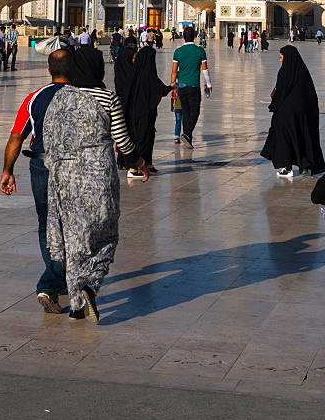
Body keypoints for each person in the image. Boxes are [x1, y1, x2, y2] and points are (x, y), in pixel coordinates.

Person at [43, 45, 149, 321]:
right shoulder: (107, 98)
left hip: (64, 176)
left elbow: (47, 138)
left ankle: (78, 306)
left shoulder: (60, 98)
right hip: (98, 175)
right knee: (106, 234)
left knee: (73, 240)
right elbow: (123, 142)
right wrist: (140, 164)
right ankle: (90, 284)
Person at [0, 44, 73, 313]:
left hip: (41, 166)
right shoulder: (82, 96)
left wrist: (7, 171)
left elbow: (17, 136)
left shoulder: (35, 97)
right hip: (72, 168)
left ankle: (54, 280)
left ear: (48, 69)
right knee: (72, 224)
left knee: (47, 224)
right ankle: (54, 281)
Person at [261, 46, 325, 178]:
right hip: (302, 113)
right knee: (301, 136)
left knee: (284, 137)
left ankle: (287, 167)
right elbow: (310, 95)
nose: (280, 61)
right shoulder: (303, 72)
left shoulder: (285, 72)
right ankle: (303, 166)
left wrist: (273, 104)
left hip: (286, 113)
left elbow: (280, 92)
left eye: (281, 58)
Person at [117, 45, 171, 176]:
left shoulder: (135, 72)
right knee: (141, 138)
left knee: (145, 137)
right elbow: (159, 90)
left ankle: (147, 164)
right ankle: (134, 169)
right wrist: (171, 88)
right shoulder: (148, 74)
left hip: (135, 112)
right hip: (143, 113)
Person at [170, 26, 212, 148]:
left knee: (186, 112)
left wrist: (173, 87)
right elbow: (205, 70)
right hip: (194, 86)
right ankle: (187, 134)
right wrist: (208, 84)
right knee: (195, 112)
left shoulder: (178, 51)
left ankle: (188, 139)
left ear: (183, 37)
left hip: (181, 86)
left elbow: (174, 71)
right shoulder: (200, 51)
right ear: (194, 36)